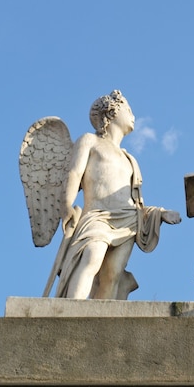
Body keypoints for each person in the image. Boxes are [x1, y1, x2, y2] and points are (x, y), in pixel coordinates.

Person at [56, 90, 181, 299]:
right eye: (129, 109)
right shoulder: (90, 141)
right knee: (91, 257)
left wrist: (160, 213)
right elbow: (74, 173)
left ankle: (99, 322)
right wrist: (66, 204)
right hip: (97, 215)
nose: (133, 115)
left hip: (127, 221)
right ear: (111, 112)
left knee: (112, 274)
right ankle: (72, 310)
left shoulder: (130, 159)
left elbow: (136, 202)